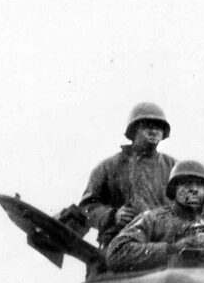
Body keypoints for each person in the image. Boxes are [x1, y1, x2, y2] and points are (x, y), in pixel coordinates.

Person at [105, 160, 204, 272]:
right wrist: (173, 249)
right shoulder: (153, 219)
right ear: (174, 189)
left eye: (199, 184)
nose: (194, 189)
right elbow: (116, 253)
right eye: (187, 184)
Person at [62, 102, 175, 249]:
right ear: (134, 129)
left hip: (163, 248)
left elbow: (197, 204)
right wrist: (112, 216)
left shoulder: (173, 167)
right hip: (118, 245)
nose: (154, 131)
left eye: (159, 127)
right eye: (148, 125)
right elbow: (87, 206)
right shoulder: (109, 166)